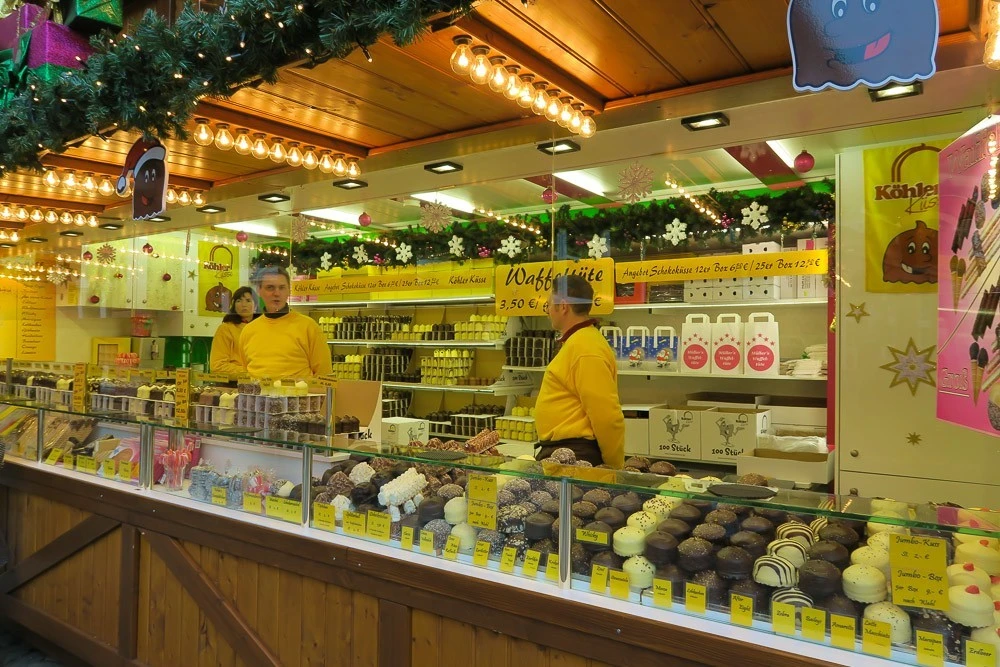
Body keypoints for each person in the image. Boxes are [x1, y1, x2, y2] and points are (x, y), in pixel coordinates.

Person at [534, 274, 625, 468]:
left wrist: (615, 469)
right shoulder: (579, 342)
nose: (547, 310)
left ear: (563, 306)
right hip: (567, 453)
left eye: (548, 304)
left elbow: (607, 416)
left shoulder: (585, 348)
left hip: (576, 455)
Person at [238, 266, 333, 379]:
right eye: (270, 288)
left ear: (289, 291)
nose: (277, 293)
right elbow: (245, 372)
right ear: (259, 291)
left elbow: (324, 375)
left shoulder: (309, 327)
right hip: (256, 391)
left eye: (282, 288)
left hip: (299, 391)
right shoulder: (248, 331)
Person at [209, 286, 258, 375]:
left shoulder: (262, 328)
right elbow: (217, 366)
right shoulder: (225, 329)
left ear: (256, 306)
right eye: (239, 301)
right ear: (234, 305)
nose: (243, 304)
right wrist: (250, 371)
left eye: (248, 301)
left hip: (263, 380)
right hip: (234, 381)